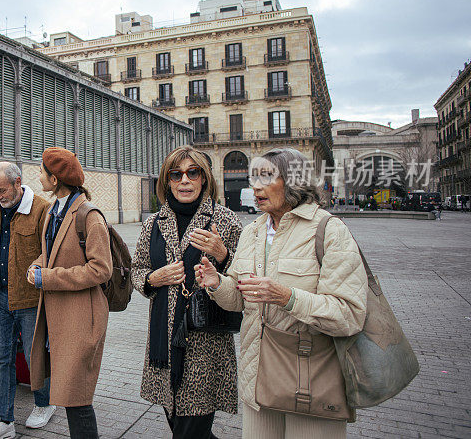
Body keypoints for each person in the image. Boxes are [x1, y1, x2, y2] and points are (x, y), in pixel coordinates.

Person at [196, 148, 369, 439]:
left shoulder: (328, 230)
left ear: (293, 180)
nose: (256, 186)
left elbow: (349, 315)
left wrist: (287, 297)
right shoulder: (253, 231)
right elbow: (239, 300)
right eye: (254, 178)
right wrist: (216, 283)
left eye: (266, 177)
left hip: (310, 376)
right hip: (258, 376)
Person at [130, 145, 242, 438]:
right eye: (176, 174)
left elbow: (244, 279)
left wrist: (223, 254)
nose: (184, 180)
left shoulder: (225, 220)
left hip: (205, 345)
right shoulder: (153, 223)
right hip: (163, 346)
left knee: (190, 430)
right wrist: (154, 278)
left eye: (193, 173)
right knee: (179, 422)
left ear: (203, 179)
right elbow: (136, 270)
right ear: (166, 181)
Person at [27, 147, 113, 439]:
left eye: (41, 171)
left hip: (81, 318)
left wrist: (48, 277)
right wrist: (37, 266)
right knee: (68, 393)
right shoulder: (54, 209)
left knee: (77, 397)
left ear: (55, 179)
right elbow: (49, 253)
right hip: (57, 317)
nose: (38, 176)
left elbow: (101, 269)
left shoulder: (89, 215)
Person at [0, 162, 55, 439]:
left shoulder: (42, 209)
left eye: (2, 190)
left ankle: (45, 403)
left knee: (35, 357)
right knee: (2, 358)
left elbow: (50, 252)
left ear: (17, 182)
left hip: (30, 298)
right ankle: (3, 420)